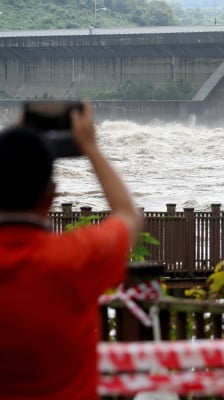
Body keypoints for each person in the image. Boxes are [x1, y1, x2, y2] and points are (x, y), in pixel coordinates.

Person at [0, 102, 143, 399]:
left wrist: (18, 140)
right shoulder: (76, 258)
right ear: (51, 195)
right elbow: (128, 215)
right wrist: (90, 147)